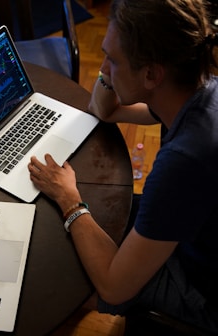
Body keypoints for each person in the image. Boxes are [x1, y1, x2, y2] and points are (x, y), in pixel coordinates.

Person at [28, 0, 218, 333]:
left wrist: (69, 199)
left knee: (59, 278)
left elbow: (115, 287)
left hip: (204, 291)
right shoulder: (196, 90)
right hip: (197, 235)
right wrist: (111, 67)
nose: (104, 66)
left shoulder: (184, 161)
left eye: (113, 60)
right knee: (96, 212)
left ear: (151, 74)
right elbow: (105, 111)